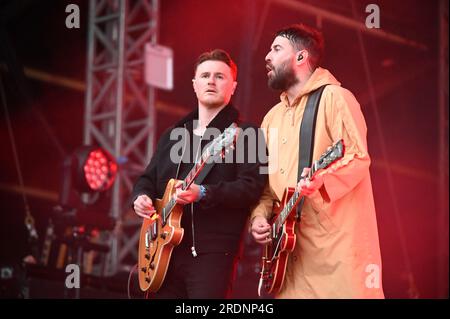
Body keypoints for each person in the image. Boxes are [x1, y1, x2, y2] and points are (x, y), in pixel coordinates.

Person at [250, 24, 384, 298]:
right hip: (287, 261)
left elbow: (357, 156)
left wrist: (321, 180)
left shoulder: (337, 98)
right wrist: (258, 218)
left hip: (336, 254)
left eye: (276, 49)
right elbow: (264, 184)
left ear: (300, 57)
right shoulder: (270, 118)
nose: (267, 56)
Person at [132, 49, 267, 299]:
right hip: (163, 253)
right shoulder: (173, 135)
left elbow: (252, 187)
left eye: (220, 76)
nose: (211, 81)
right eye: (205, 76)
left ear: (233, 86)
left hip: (214, 252)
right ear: (195, 85)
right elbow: (147, 179)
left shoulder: (249, 134)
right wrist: (140, 196)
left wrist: (204, 192)